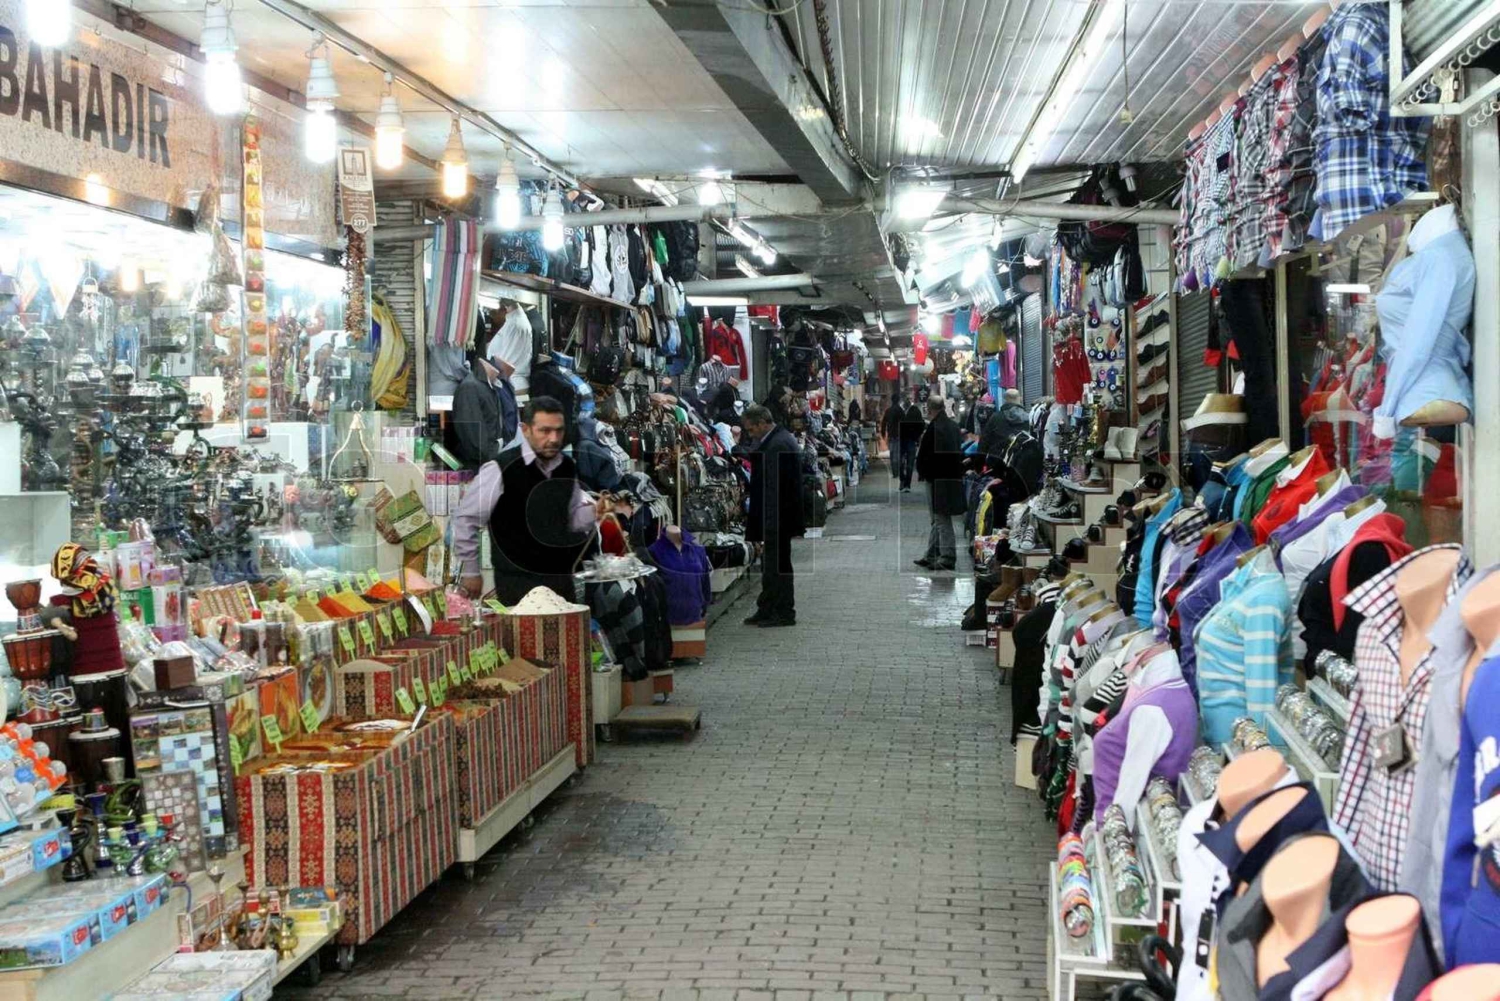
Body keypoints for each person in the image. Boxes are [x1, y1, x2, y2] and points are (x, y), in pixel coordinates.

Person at [453, 397, 607, 605]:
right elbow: (466, 519)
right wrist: (471, 571)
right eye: (545, 431)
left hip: (561, 583)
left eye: (559, 431)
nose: (553, 438)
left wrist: (595, 512)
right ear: (525, 430)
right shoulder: (500, 468)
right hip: (518, 584)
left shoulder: (567, 467)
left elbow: (570, 519)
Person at [739, 404, 805, 627]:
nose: (750, 434)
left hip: (778, 517)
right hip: (778, 515)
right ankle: (767, 607)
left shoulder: (777, 445)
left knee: (778, 566)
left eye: (751, 429)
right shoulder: (777, 440)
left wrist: (768, 522)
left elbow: (774, 489)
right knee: (772, 564)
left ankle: (783, 612)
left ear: (762, 424)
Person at [915, 396, 965, 570]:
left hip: (937, 479)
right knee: (938, 519)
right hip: (952, 477)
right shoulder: (953, 426)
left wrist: (923, 472)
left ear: (929, 409)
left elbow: (925, 455)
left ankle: (947, 557)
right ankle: (931, 554)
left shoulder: (934, 428)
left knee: (941, 519)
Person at [449, 355, 518, 469]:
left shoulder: (492, 385)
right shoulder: (470, 388)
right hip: (479, 465)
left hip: (491, 461)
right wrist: (495, 458)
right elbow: (474, 437)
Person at [976, 388, 1030, 469]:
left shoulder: (996, 417)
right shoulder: (1026, 418)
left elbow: (984, 441)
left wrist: (979, 464)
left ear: (1005, 399)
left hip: (997, 461)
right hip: (1019, 462)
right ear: (1020, 398)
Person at [898, 395, 926, 491]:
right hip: (905, 440)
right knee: (904, 463)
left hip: (908, 440)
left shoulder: (913, 412)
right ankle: (904, 482)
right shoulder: (902, 412)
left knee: (907, 463)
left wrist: (916, 436)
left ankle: (905, 483)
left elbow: (921, 425)